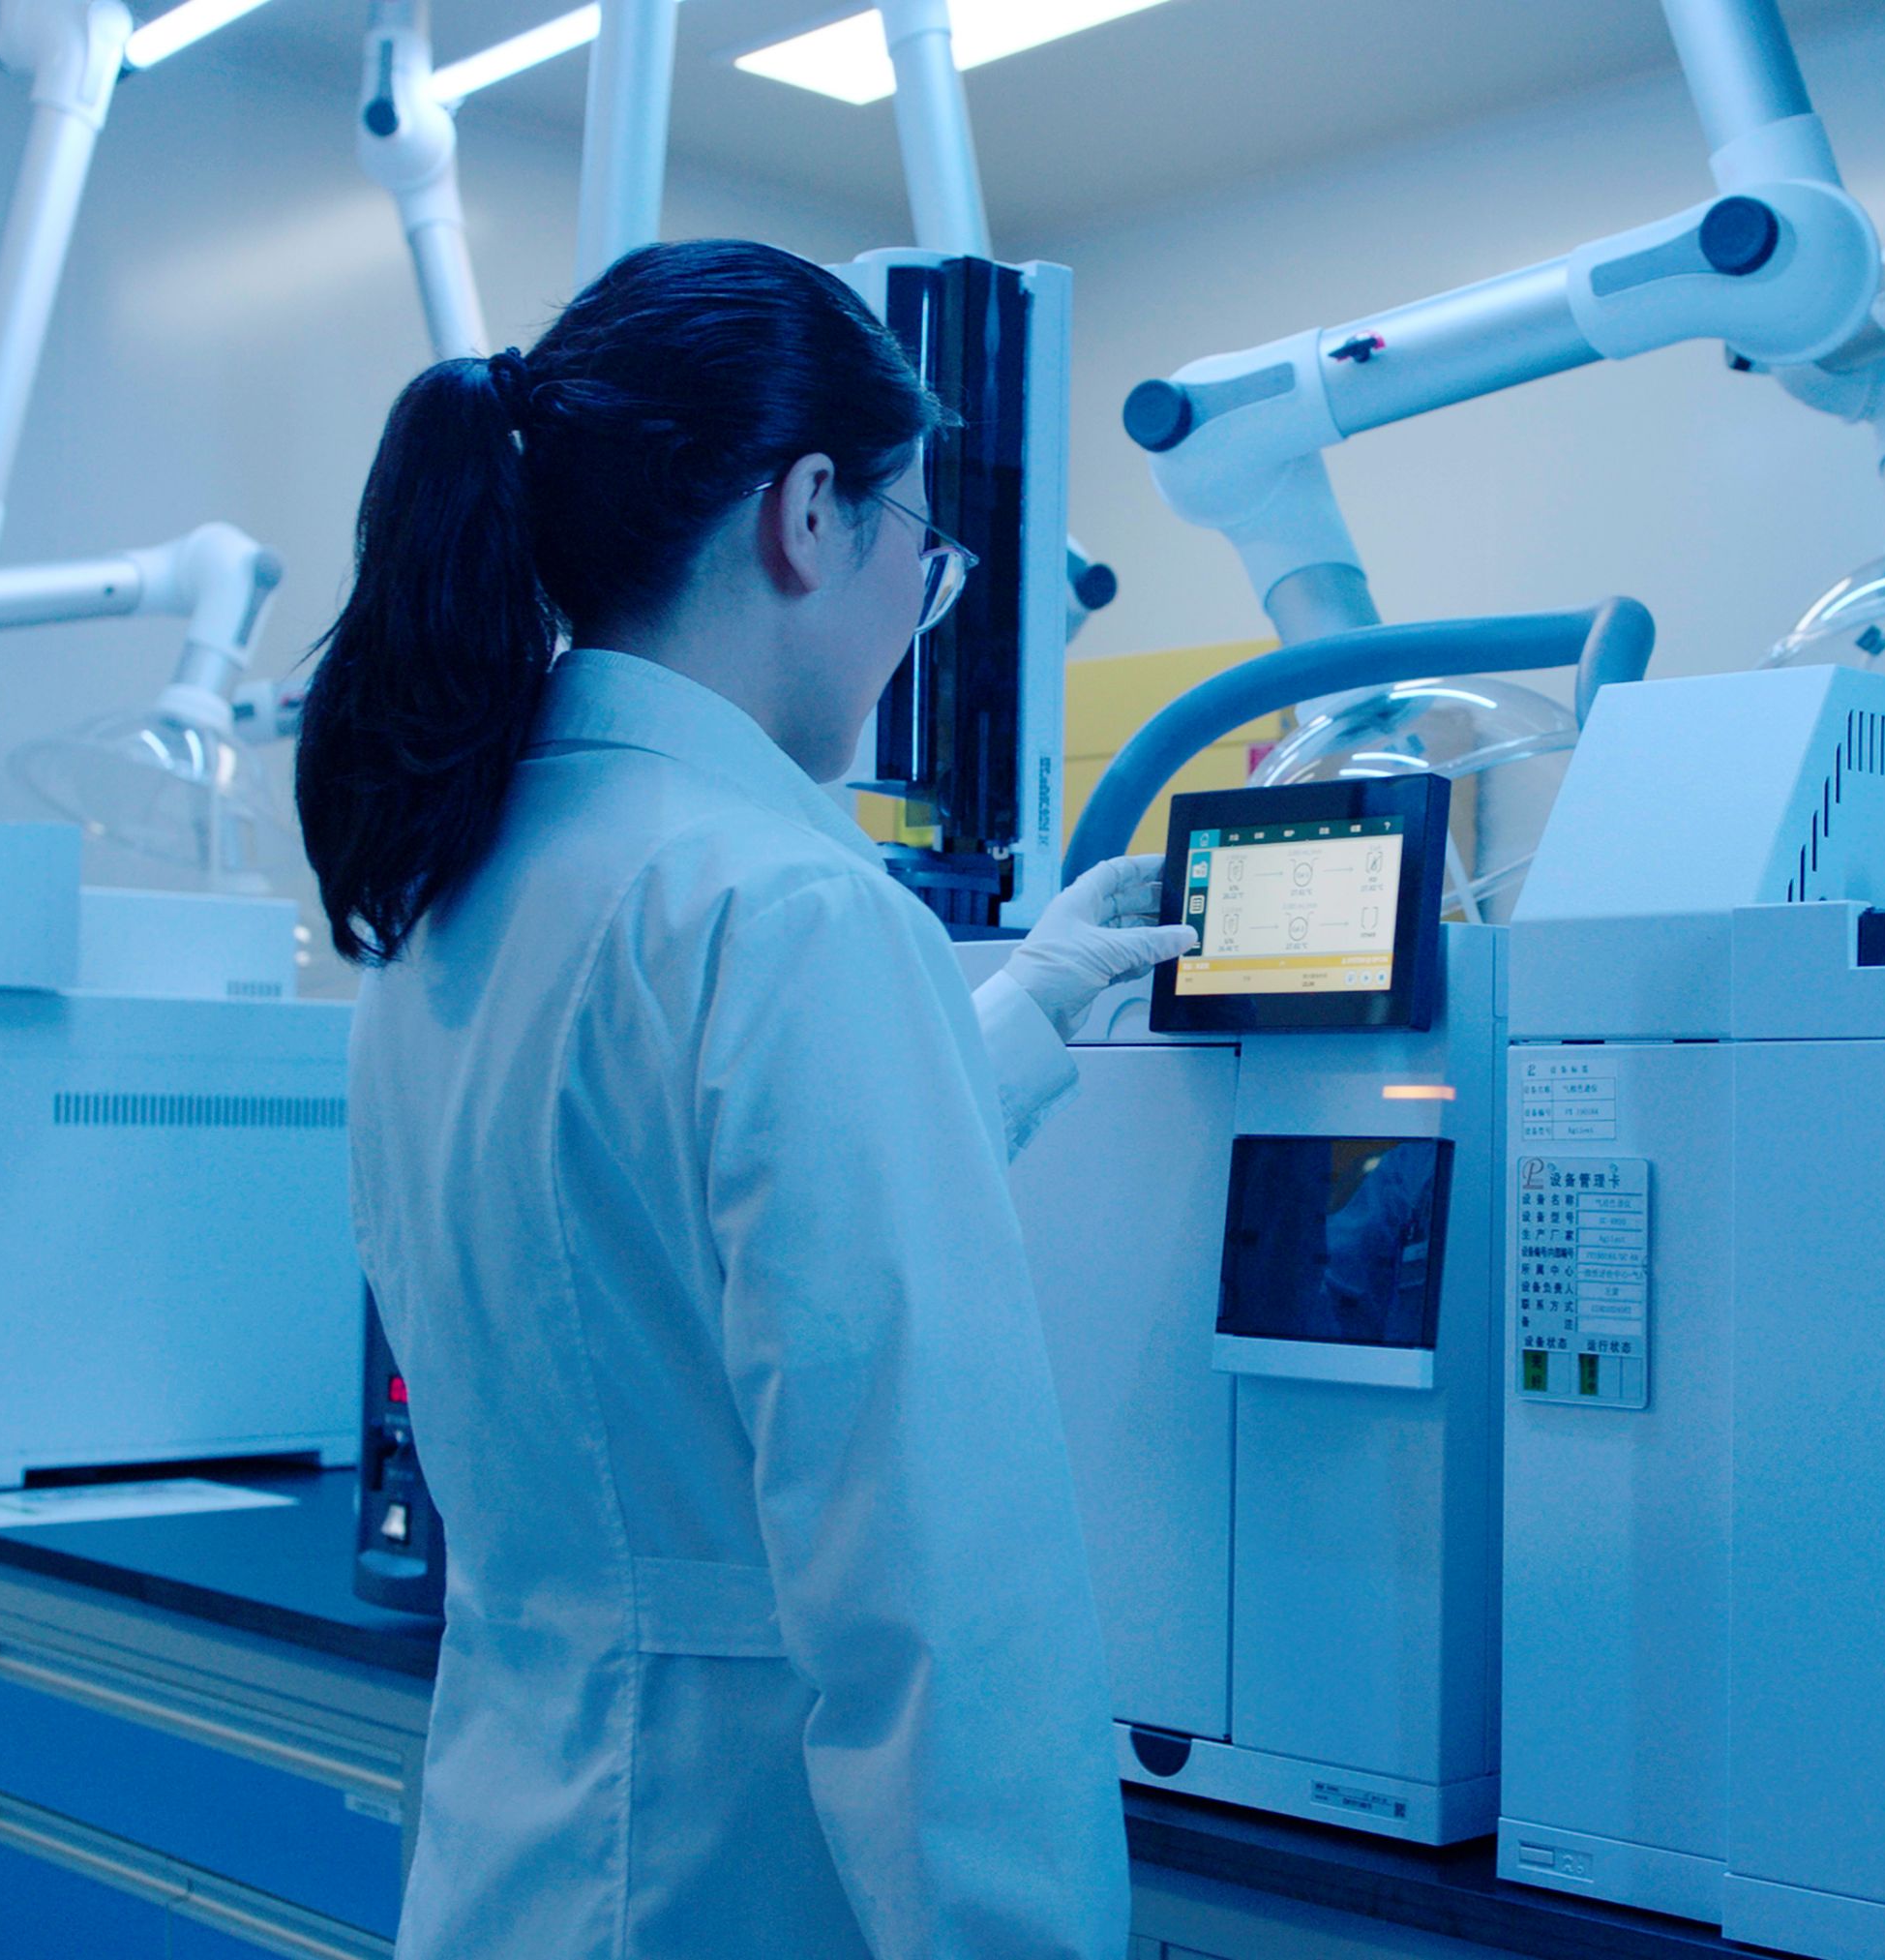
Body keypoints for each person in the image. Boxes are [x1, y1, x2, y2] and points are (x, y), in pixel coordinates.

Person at [295, 238, 1190, 1958]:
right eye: (923, 548)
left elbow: (654, 1233)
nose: (918, 608)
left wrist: (1032, 1000)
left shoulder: (451, 899)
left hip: (513, 1863)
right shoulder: (787, 909)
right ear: (809, 513)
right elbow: (937, 1591)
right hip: (728, 1884)